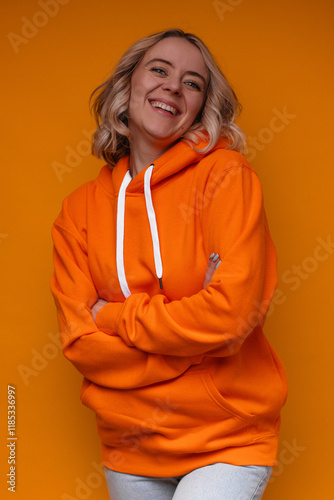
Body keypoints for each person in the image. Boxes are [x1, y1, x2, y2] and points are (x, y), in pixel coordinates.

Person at [51, 28, 288, 500]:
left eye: (192, 82)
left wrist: (114, 316)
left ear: (202, 106)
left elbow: (231, 317)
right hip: (129, 447)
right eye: (159, 70)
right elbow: (80, 343)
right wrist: (195, 337)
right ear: (128, 85)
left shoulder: (226, 178)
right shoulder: (78, 212)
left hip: (227, 439)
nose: (173, 88)